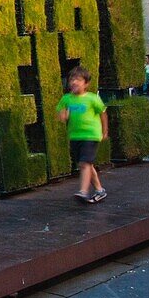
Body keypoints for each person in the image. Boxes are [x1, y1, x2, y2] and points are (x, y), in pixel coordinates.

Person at [57, 66, 108, 204]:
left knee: (84, 163)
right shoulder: (66, 99)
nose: (74, 82)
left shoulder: (92, 99)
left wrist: (104, 131)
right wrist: (63, 115)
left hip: (91, 135)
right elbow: (61, 115)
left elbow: (103, 113)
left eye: (78, 80)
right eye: (72, 79)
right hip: (75, 136)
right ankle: (99, 190)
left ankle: (83, 191)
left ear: (86, 83)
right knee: (86, 164)